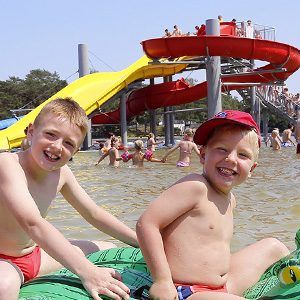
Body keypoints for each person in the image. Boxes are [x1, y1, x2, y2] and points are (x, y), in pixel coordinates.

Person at [136, 110, 289, 300]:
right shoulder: (195, 186)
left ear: (252, 169)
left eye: (242, 155)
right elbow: (147, 223)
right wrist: (162, 280)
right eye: (222, 149)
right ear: (202, 155)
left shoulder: (231, 199)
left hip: (225, 285)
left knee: (274, 246)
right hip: (187, 290)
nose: (231, 158)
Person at [0, 98, 138, 300]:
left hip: (34, 256)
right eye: (50, 134)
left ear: (76, 151)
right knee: (4, 285)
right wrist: (88, 273)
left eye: (68, 143)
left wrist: (140, 242)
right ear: (31, 132)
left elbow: (94, 214)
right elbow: (33, 223)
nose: (57, 146)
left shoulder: (62, 173)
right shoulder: (8, 164)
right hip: (3, 261)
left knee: (109, 248)